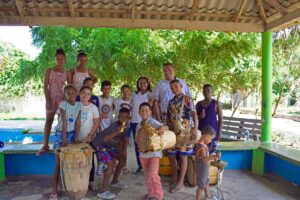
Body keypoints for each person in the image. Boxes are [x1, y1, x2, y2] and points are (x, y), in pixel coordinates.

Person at [50, 85, 82, 200]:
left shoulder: (79, 104)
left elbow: (78, 122)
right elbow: (64, 122)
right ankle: (53, 190)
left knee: (69, 162)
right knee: (58, 163)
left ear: (76, 93)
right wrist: (64, 138)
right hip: (61, 134)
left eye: (73, 92)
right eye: (68, 93)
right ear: (65, 95)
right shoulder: (63, 104)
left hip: (72, 133)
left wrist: (76, 138)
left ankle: (67, 186)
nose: (71, 95)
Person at [92, 108, 131, 200]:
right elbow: (104, 139)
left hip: (111, 146)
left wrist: (122, 154)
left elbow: (123, 142)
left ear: (129, 118)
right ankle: (103, 191)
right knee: (111, 164)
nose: (123, 120)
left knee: (122, 160)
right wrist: (117, 131)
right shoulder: (115, 126)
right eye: (121, 117)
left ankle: (115, 181)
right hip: (100, 144)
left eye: (125, 118)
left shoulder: (127, 126)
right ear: (118, 117)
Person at [167, 79, 198, 193]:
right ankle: (175, 177)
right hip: (173, 132)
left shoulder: (187, 99)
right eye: (172, 88)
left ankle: (180, 183)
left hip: (185, 132)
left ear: (181, 86)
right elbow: (169, 116)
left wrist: (195, 128)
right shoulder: (170, 102)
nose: (174, 89)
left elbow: (194, 114)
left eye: (176, 86)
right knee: (171, 154)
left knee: (183, 156)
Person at [37, 48, 68, 155]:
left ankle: (59, 143)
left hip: (63, 101)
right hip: (51, 99)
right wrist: (48, 100)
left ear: (65, 59)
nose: (59, 60)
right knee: (49, 121)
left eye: (62, 58)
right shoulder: (49, 70)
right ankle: (45, 144)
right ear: (55, 59)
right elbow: (45, 87)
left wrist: (67, 101)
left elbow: (69, 87)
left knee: (61, 124)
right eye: (57, 58)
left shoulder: (66, 72)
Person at [135, 102, 166, 200]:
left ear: (150, 112)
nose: (144, 112)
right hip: (143, 154)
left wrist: (161, 128)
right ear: (139, 112)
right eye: (142, 110)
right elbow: (137, 139)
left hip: (154, 154)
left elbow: (163, 127)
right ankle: (151, 193)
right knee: (148, 175)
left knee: (153, 174)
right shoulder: (138, 125)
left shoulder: (151, 121)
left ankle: (159, 196)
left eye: (146, 110)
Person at [78, 86, 100, 191]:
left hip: (89, 139)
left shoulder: (93, 107)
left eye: (88, 94)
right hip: (76, 139)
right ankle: (79, 180)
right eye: (83, 93)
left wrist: (90, 136)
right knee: (77, 160)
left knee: (90, 161)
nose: (85, 95)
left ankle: (91, 181)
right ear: (79, 93)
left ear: (90, 96)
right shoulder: (75, 106)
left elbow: (96, 123)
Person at [130, 77, 153, 174]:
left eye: (144, 82)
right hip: (135, 122)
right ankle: (140, 165)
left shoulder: (151, 95)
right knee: (137, 144)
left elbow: (152, 108)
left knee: (148, 143)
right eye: (140, 83)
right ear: (138, 85)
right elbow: (130, 107)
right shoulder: (134, 95)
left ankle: (148, 166)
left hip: (147, 122)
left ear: (147, 84)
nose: (142, 84)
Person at [195, 125, 221, 200]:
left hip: (204, 169)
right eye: (210, 139)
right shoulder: (201, 148)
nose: (210, 141)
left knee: (206, 181)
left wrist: (213, 156)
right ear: (206, 136)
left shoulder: (204, 145)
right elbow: (204, 159)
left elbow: (206, 157)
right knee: (201, 186)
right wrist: (215, 156)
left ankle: (207, 195)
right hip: (201, 170)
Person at [196, 84, 223, 154]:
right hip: (201, 134)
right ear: (202, 92)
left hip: (213, 135)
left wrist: (219, 132)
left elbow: (220, 119)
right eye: (204, 91)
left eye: (208, 91)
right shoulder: (198, 104)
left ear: (212, 92)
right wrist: (199, 117)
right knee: (201, 154)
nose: (206, 92)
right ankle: (202, 165)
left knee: (211, 154)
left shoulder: (216, 103)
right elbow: (194, 119)